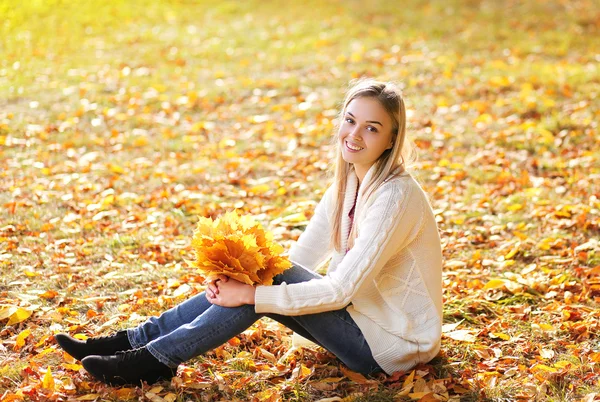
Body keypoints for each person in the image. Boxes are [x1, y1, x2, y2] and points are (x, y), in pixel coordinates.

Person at [55, 78, 443, 386]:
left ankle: (153, 358)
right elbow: (298, 261)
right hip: (359, 324)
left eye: (372, 128)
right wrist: (237, 280)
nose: (354, 134)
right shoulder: (349, 184)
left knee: (264, 282)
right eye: (350, 120)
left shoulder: (395, 197)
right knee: (265, 271)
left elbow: (340, 290)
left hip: (390, 347)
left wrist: (252, 293)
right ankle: (136, 343)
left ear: (391, 139)